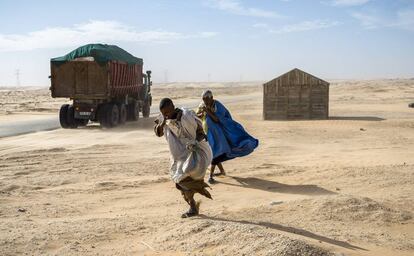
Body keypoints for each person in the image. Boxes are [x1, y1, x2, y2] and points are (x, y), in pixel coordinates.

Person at [154, 98, 213, 218]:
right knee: (179, 182)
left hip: (192, 151)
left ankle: (195, 198)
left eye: (167, 112)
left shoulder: (187, 116)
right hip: (178, 155)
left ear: (173, 107)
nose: (166, 115)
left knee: (186, 176)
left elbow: (200, 130)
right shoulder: (163, 119)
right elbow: (158, 132)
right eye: (163, 113)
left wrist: (197, 141)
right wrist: (163, 123)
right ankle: (193, 204)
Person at [197, 90, 259, 184]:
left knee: (215, 153)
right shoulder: (202, 105)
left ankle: (210, 176)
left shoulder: (218, 106)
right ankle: (222, 171)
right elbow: (198, 116)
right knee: (215, 152)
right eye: (203, 99)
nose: (205, 101)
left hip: (220, 134)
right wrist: (201, 114)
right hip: (208, 132)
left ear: (211, 98)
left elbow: (218, 119)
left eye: (207, 99)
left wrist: (208, 111)